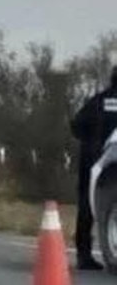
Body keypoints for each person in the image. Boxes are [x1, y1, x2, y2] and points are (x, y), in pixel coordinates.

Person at [70, 67, 117, 271]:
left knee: (86, 206)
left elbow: (76, 125)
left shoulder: (99, 100)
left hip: (92, 159)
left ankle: (84, 254)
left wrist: (91, 142)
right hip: (109, 159)